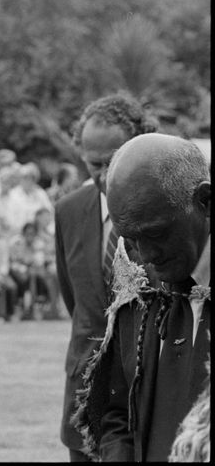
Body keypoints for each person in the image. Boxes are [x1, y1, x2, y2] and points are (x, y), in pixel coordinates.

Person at [72, 133, 210, 461]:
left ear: (205, 201)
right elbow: (117, 412)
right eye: (131, 238)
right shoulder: (135, 283)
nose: (146, 255)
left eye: (157, 233)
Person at [54, 93, 159, 462]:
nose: (100, 175)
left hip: (145, 400)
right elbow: (76, 300)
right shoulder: (68, 212)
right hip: (83, 398)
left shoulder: (164, 212)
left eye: (110, 162)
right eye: (91, 163)